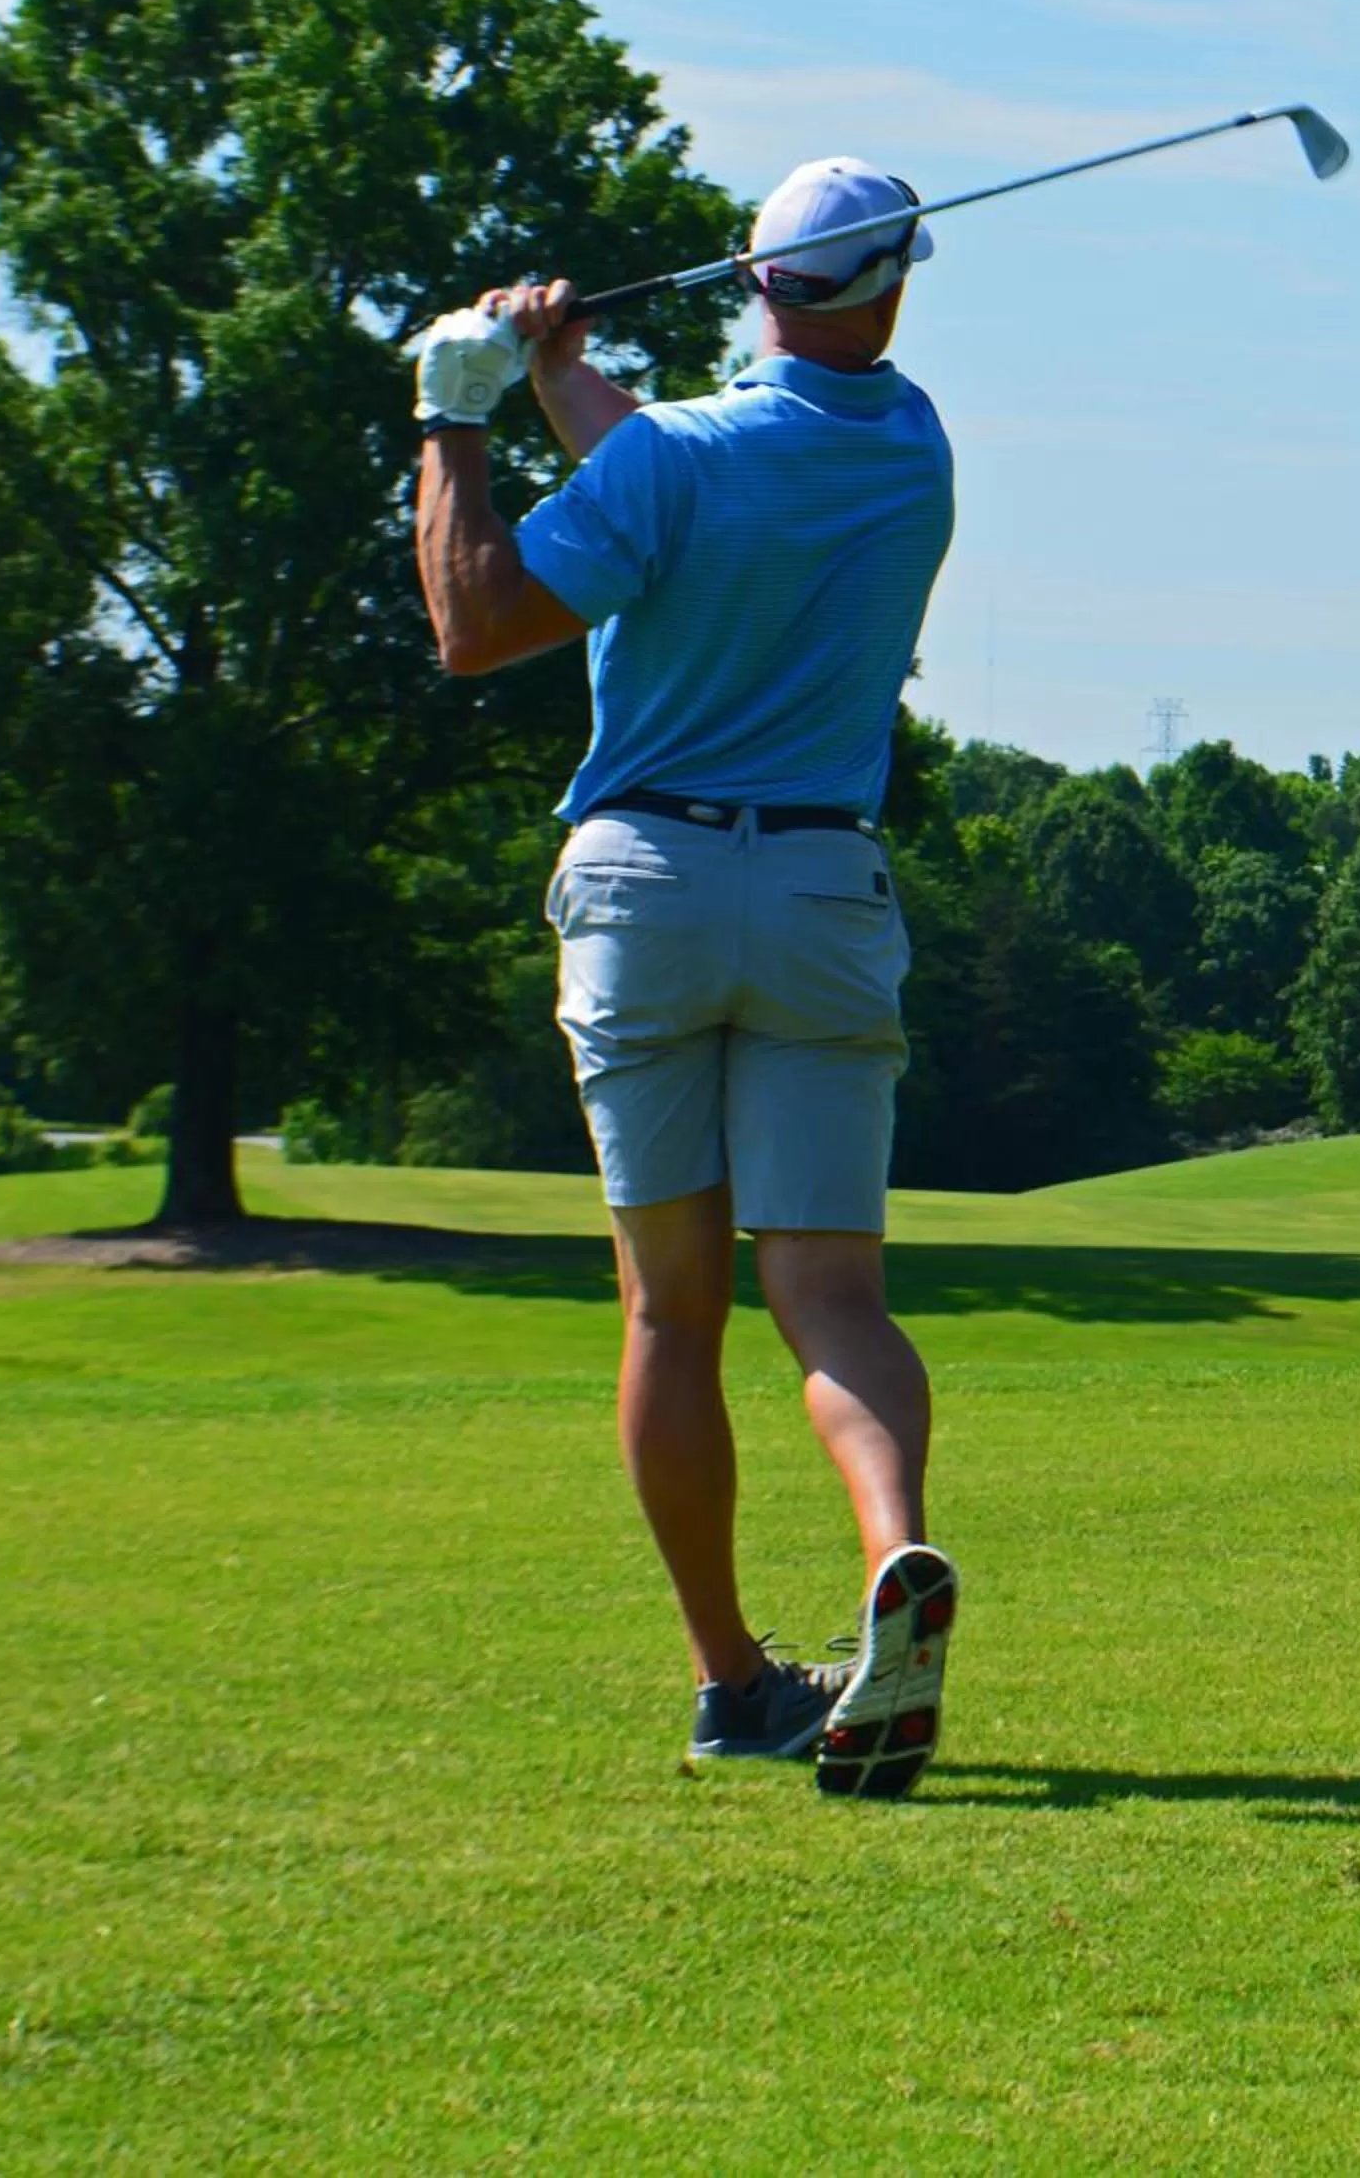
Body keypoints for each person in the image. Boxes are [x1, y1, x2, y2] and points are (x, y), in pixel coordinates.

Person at [407, 159, 959, 1799]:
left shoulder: (674, 462)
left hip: (646, 888)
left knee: (672, 1306)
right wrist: (564, 375)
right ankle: (895, 1555)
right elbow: (681, 467)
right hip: (821, 890)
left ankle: (733, 1682)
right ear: (893, 289)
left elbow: (475, 622)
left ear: (753, 282)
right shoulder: (915, 446)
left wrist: (455, 418)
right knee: (834, 1298)